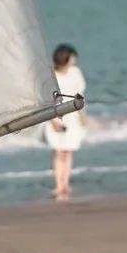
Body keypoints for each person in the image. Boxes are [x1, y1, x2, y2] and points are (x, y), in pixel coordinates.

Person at [43, 44, 87, 202]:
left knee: (68, 151)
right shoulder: (52, 75)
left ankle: (65, 184)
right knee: (57, 151)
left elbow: (79, 96)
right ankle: (58, 184)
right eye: (72, 57)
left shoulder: (75, 73)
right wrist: (53, 120)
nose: (74, 60)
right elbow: (48, 100)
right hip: (55, 114)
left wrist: (83, 115)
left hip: (72, 116)